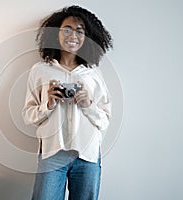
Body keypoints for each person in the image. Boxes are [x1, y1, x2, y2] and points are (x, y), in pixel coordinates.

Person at [22, 5, 113, 200]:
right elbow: (27, 115)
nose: (73, 35)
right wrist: (48, 104)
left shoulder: (93, 73)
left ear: (87, 37)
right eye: (67, 29)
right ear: (56, 33)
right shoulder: (40, 70)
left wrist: (88, 105)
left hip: (87, 154)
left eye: (80, 31)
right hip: (52, 153)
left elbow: (104, 121)